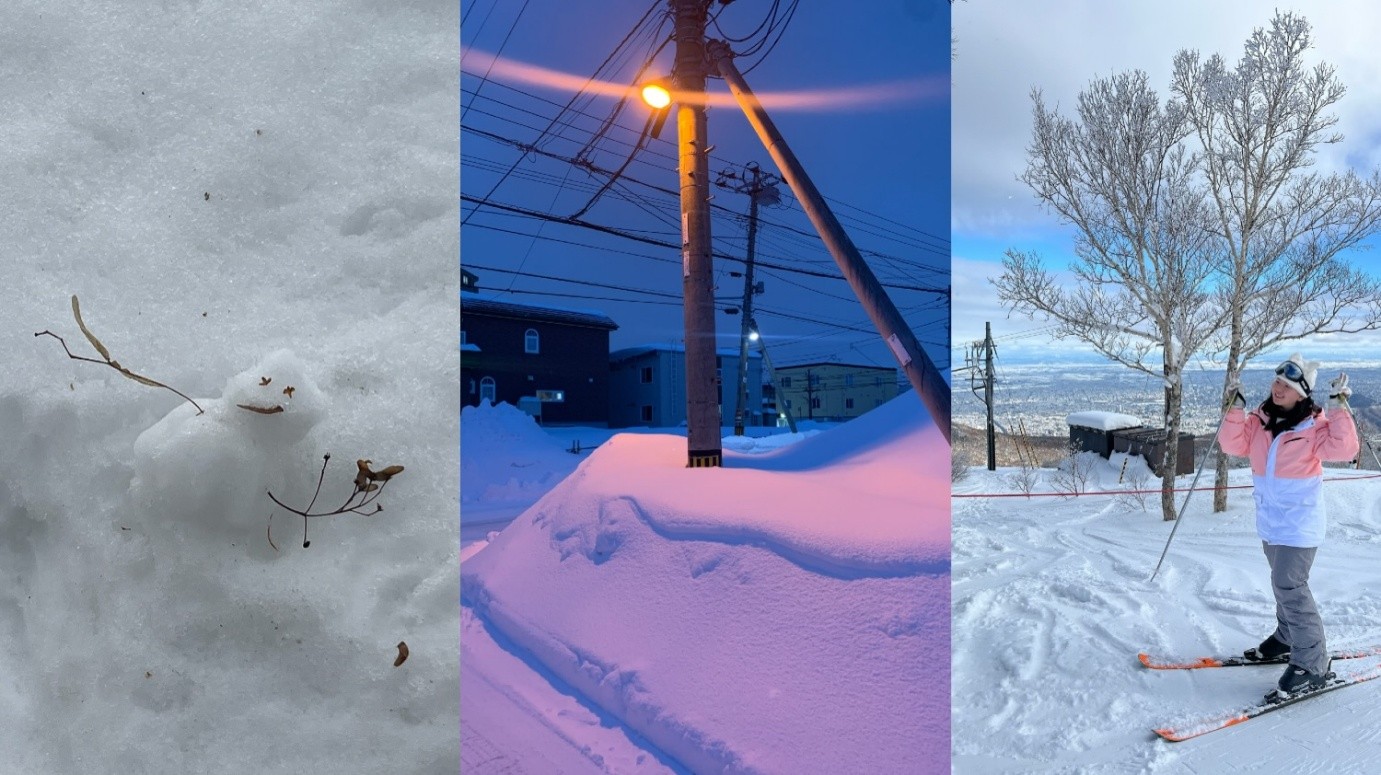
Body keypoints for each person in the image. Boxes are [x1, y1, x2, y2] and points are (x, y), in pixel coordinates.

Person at [1218, 353, 1359, 698]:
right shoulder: (1259, 420)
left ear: (1302, 393)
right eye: (1277, 381)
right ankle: (1286, 637)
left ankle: (1312, 663)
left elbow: (1346, 449)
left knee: (1289, 585)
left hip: (1300, 522)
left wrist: (1339, 406)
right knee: (1281, 584)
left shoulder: (1313, 426)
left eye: (1287, 385)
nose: (1278, 388)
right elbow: (1231, 444)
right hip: (1270, 521)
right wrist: (1234, 409)